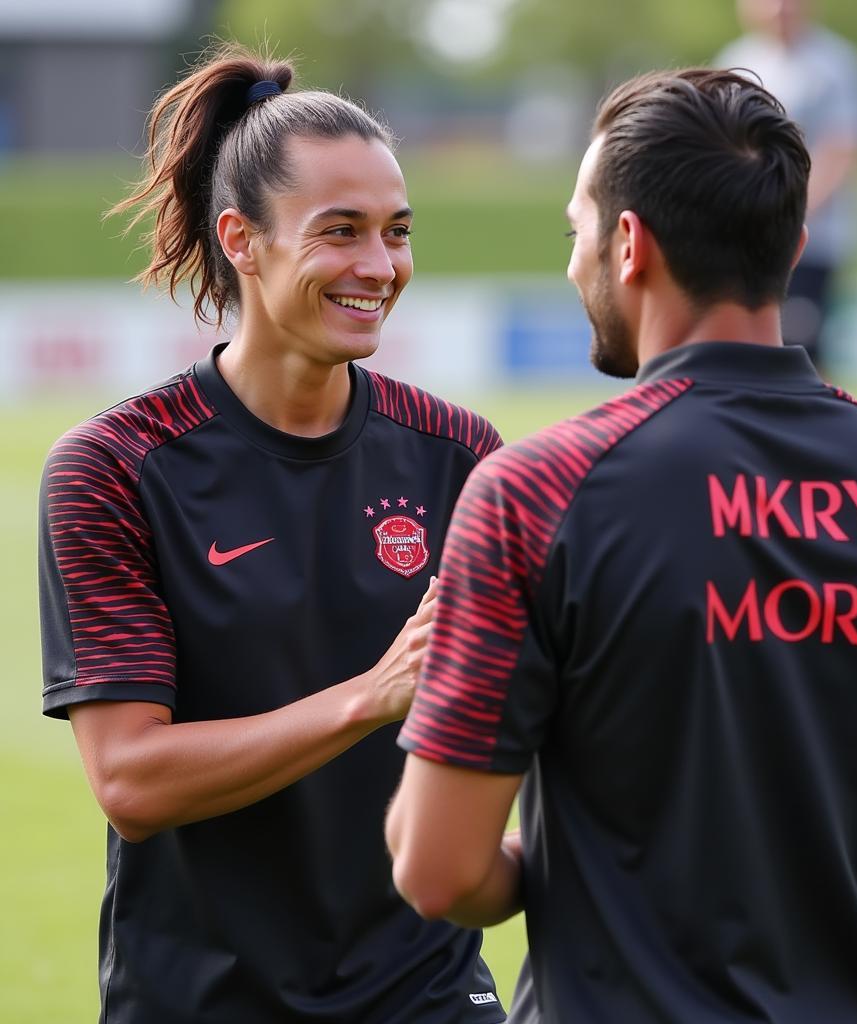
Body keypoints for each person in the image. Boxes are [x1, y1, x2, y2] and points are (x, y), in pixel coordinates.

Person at [385, 68, 857, 1023]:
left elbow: (437, 870)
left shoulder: (534, 494)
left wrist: (629, 873)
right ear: (795, 245)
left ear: (628, 244)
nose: (574, 262)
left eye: (577, 231)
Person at [38, 43, 506, 1024]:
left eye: (396, 232)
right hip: (201, 998)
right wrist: (369, 699)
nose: (379, 267)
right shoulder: (117, 467)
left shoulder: (459, 454)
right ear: (241, 240)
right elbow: (129, 778)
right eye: (341, 232)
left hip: (424, 991)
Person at [714, 0, 857, 367]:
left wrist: (791, 212)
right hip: (747, 234)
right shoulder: (736, 61)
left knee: (800, 347)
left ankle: (808, 424)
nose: (778, 8)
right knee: (746, 347)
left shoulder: (836, 65)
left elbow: (844, 147)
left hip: (811, 237)